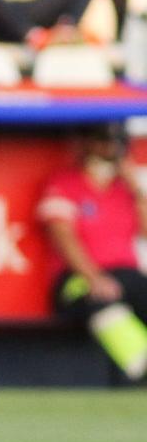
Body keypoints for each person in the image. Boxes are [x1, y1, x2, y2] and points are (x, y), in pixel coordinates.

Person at [37, 123, 147, 381]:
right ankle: (142, 368)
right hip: (77, 278)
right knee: (101, 302)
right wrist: (93, 277)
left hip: (127, 274)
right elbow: (63, 236)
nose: (110, 149)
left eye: (117, 144)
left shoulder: (126, 190)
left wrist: (138, 191)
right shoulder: (64, 184)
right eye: (104, 141)